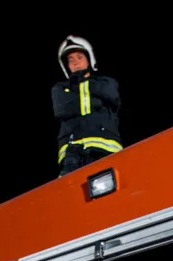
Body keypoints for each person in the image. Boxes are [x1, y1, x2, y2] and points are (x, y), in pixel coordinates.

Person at [52, 35, 123, 177]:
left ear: (89, 59)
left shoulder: (106, 82)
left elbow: (111, 96)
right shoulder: (59, 88)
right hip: (71, 153)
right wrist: (95, 99)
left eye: (79, 57)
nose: (75, 63)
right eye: (70, 60)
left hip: (103, 148)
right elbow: (61, 109)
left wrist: (80, 86)